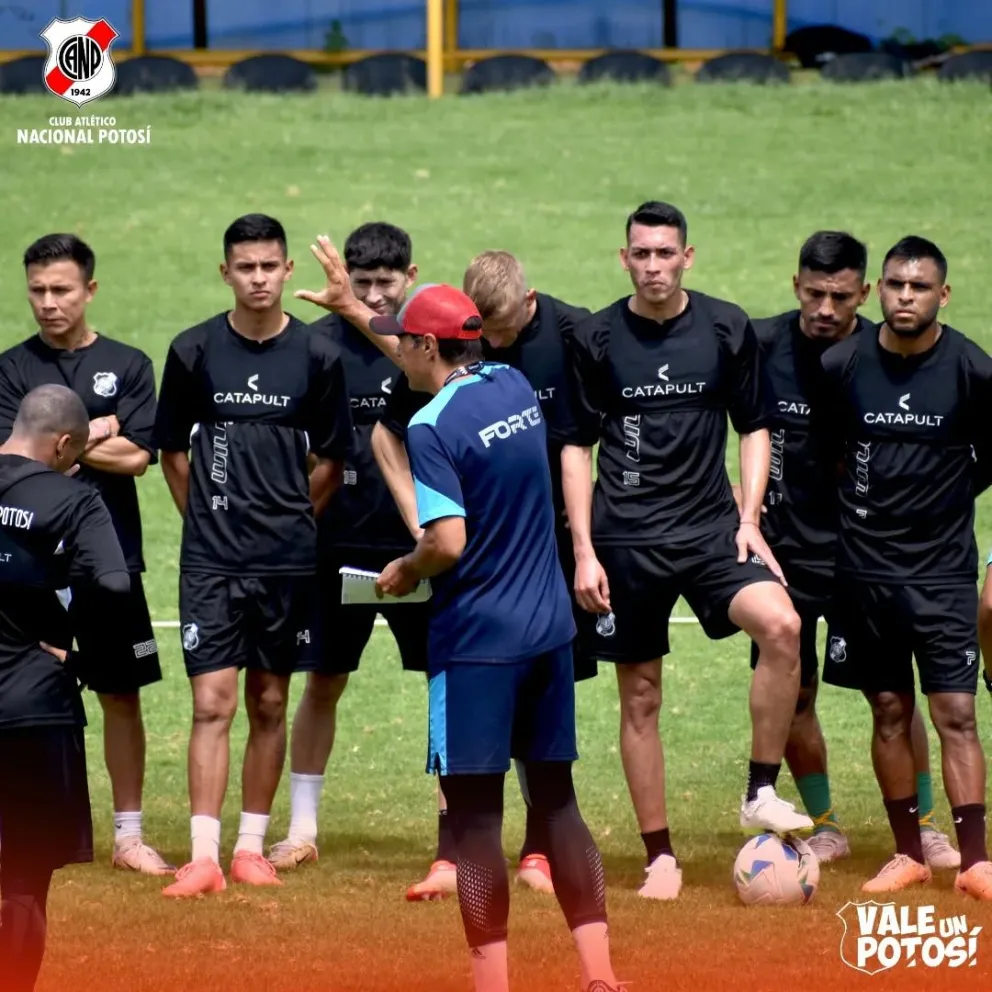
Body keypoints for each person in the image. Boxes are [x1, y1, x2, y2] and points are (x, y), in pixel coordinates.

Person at [296, 233, 620, 992]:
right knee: (559, 803)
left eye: (403, 339)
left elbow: (447, 539)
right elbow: (421, 346)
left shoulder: (430, 425)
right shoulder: (509, 385)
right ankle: (600, 976)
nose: (394, 351)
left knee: (475, 822)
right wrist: (354, 307)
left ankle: (491, 985)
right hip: (547, 629)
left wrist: (406, 570)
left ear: (424, 347)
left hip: (477, 642)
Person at [560, 200, 812, 901]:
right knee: (640, 695)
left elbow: (756, 426)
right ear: (624, 259)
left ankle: (761, 790)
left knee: (782, 624)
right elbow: (576, 447)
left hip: (711, 531)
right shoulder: (598, 336)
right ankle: (660, 857)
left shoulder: (727, 326)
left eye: (665, 253)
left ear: (687, 257)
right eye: (641, 254)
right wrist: (584, 548)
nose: (653, 266)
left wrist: (751, 518)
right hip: (627, 540)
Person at [153, 214, 352, 897]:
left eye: (270, 266)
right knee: (213, 702)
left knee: (270, 702)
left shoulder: (319, 356)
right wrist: (204, 522)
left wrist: (295, 521)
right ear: (226, 273)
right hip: (211, 563)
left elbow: (331, 461)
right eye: (246, 267)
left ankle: (249, 848)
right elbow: (171, 453)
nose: (259, 278)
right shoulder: (193, 351)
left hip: (288, 563)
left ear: (288, 270)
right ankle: (203, 856)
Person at [751, 230, 960, 870]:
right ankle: (826, 826)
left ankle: (924, 827)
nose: (825, 309)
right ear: (795, 286)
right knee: (795, 696)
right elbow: (727, 421)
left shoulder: (881, 354)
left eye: (841, 297)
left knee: (890, 697)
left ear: (863, 293)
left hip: (864, 557)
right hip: (783, 555)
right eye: (814, 293)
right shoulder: (759, 347)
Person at [813, 236, 992, 897]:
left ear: (942, 295)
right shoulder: (841, 364)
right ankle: (908, 850)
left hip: (943, 575)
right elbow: (831, 454)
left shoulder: (974, 370)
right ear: (878, 290)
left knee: (956, 713)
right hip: (863, 575)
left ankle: (974, 861)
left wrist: (943, 500)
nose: (904, 297)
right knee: (888, 709)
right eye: (894, 285)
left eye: (918, 287)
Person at [0, 234, 171, 875]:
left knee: (120, 691)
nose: (48, 303)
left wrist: (65, 442)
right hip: (24, 569)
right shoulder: (10, 367)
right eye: (38, 290)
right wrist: (101, 429)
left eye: (61, 289)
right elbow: (10, 455)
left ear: (90, 290)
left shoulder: (128, 364)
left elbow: (138, 459)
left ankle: (129, 837)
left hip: (109, 558)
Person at [268, 221, 432, 872]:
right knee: (323, 683)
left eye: (384, 283)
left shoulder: (425, 345)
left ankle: (456, 835)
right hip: (335, 546)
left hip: (420, 546)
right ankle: (303, 830)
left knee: (444, 683)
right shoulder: (314, 348)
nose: (372, 295)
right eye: (360, 283)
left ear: (411, 277)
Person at [0, 385, 133, 991]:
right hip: (33, 708)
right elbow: (111, 586)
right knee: (22, 881)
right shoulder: (74, 499)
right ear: (62, 445)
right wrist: (73, 652)